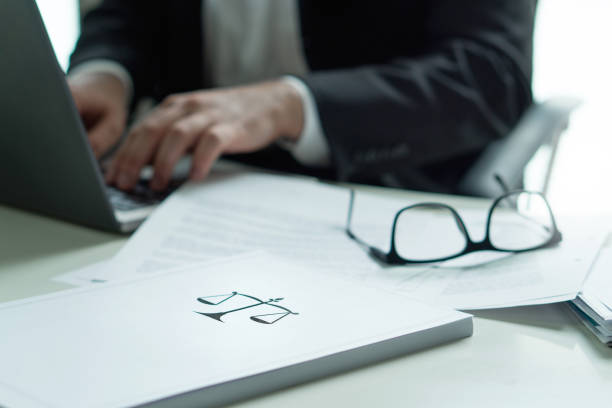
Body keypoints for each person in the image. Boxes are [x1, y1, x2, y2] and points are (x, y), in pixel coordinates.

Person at [68, 0, 537, 194]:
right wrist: (107, 72)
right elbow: (126, 12)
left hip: (372, 187)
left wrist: (289, 105)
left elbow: (489, 74)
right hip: (183, 181)